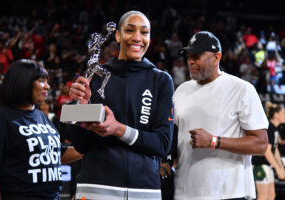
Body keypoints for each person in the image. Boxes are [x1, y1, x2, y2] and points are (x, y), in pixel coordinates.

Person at [69, 10, 174, 200]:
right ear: (117, 35)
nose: (137, 38)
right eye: (130, 30)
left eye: (144, 32)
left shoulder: (161, 80)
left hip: (144, 190)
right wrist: (79, 106)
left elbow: (162, 145)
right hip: (95, 186)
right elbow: (81, 144)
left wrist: (119, 129)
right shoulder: (95, 75)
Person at [173, 31, 269, 200]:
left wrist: (214, 141)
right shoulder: (181, 90)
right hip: (185, 192)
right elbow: (175, 138)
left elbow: (261, 144)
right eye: (188, 56)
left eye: (197, 56)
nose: (191, 61)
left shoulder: (241, 89)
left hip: (229, 193)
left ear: (217, 57)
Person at [0, 59, 82, 200]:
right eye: (41, 81)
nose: (48, 87)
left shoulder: (41, 116)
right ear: (23, 82)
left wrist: (89, 147)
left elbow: (55, 154)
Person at [252, 102, 285, 200]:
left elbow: (276, 150)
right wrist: (278, 169)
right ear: (276, 115)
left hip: (267, 165)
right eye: (283, 113)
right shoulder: (268, 127)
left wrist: (281, 167)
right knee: (263, 196)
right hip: (260, 164)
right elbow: (267, 151)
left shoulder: (274, 128)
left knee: (271, 196)